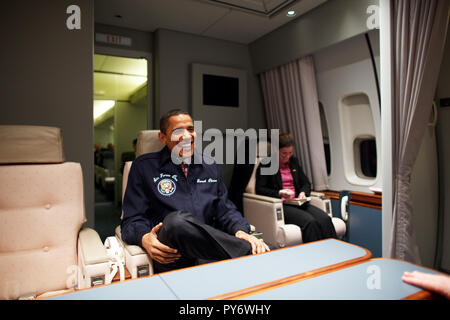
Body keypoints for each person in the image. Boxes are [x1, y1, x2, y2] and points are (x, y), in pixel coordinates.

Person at [121, 109, 269, 273]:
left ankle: (244, 251)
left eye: (190, 129)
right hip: (171, 253)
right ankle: (247, 252)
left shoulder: (209, 165)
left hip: (208, 252)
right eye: (178, 131)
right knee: (176, 221)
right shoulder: (143, 167)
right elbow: (132, 220)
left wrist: (240, 230)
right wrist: (144, 238)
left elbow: (225, 210)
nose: (187, 136)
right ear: (162, 137)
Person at [255, 132, 337, 243]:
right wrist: (280, 192)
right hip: (282, 204)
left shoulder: (293, 162)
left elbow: (306, 183)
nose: (287, 156)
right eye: (284, 153)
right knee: (310, 222)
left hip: (297, 202)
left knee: (325, 219)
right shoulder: (266, 164)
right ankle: (317, 255)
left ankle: (333, 250)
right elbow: (260, 189)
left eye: (290, 153)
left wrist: (303, 192)